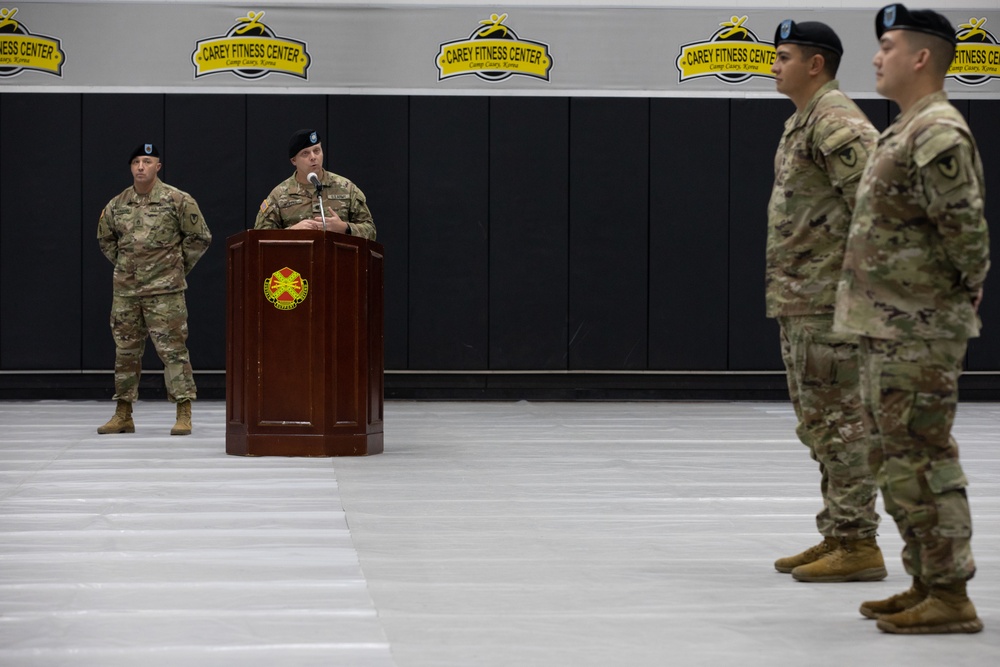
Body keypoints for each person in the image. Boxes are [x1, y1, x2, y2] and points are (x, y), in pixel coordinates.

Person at [835, 4, 989, 634]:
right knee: (895, 460)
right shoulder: (903, 130)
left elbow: (968, 236)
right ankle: (925, 579)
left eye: (889, 45)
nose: (877, 56)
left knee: (923, 458)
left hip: (918, 330)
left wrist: (953, 296)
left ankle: (951, 593)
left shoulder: (936, 133)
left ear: (921, 58)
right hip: (886, 326)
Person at [766, 20, 886, 583]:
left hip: (830, 303)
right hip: (803, 301)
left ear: (816, 64)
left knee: (842, 424)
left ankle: (860, 544)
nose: (774, 64)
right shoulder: (802, 123)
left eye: (784, 56)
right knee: (820, 423)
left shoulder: (836, 123)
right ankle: (839, 533)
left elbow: (879, 207)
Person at [96, 143, 212, 436]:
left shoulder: (177, 200)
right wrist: (129, 267)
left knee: (173, 352)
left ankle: (183, 412)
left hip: (165, 293)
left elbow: (199, 237)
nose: (140, 167)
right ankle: (123, 413)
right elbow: (106, 239)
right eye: (136, 161)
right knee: (126, 352)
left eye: (147, 161)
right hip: (126, 291)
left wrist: (173, 268)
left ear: (158, 166)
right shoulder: (117, 204)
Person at [254, 128, 376, 239]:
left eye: (317, 150)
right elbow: (259, 238)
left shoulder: (346, 188)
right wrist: (291, 232)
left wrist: (345, 228)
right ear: (293, 161)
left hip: (338, 260)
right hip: (294, 261)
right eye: (305, 153)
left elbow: (371, 231)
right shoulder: (279, 195)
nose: (313, 157)